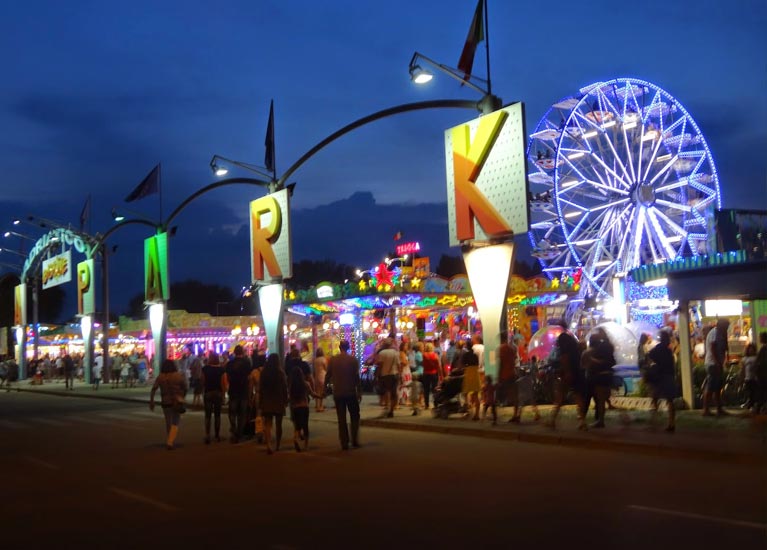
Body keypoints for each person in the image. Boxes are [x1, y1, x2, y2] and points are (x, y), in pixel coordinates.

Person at [326, 340, 362, 450]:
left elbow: (328, 375)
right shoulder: (353, 360)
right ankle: (354, 439)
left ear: (339, 347)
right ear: (348, 347)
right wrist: (359, 391)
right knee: (354, 416)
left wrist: (324, 388)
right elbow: (357, 378)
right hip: (351, 392)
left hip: (338, 393)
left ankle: (344, 442)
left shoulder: (333, 360)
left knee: (341, 418)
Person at [548, 331, 586, 430]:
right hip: (577, 373)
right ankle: (582, 421)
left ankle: (552, 420)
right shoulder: (575, 350)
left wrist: (566, 372)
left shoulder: (565, 351)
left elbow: (564, 360)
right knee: (578, 397)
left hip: (568, 374)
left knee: (560, 397)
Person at [149, 359, 188, 450]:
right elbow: (185, 387)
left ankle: (169, 440)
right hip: (177, 400)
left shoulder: (160, 377)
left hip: (165, 401)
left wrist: (152, 401)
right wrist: (182, 396)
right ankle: (170, 441)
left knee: (168, 422)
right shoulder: (178, 376)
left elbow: (153, 389)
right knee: (175, 422)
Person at [582, 329, 616, 428]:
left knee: (599, 399)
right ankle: (599, 419)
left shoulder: (603, 347)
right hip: (605, 375)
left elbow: (604, 361)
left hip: (600, 375)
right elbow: (611, 361)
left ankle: (600, 421)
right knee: (601, 399)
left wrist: (593, 360)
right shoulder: (607, 346)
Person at [648, 330, 677, 432]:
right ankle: (671, 423)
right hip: (668, 375)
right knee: (670, 400)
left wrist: (654, 365)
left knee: (655, 398)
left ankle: (654, 421)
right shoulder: (668, 350)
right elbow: (672, 363)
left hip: (659, 376)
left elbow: (650, 356)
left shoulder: (658, 348)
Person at [259, 354, 288, 454]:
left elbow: (261, 388)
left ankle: (268, 444)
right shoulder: (280, 373)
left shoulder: (264, 373)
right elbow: (284, 387)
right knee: (278, 424)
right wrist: (285, 399)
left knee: (268, 423)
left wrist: (261, 401)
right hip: (278, 399)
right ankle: (278, 445)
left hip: (267, 399)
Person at [225, 345, 252, 443]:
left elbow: (227, 378)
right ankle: (239, 433)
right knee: (242, 413)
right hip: (243, 391)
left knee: (232, 412)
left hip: (233, 390)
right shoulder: (247, 363)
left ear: (235, 353)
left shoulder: (229, 364)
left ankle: (233, 428)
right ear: (242, 352)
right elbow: (249, 378)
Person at [702, 318, 729, 417]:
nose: (726, 328)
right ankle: (706, 410)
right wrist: (718, 362)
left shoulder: (720, 333)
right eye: (726, 326)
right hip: (713, 364)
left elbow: (723, 349)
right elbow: (713, 348)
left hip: (716, 363)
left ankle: (718, 408)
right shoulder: (715, 333)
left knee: (717, 387)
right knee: (711, 387)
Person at [288, 364, 317, 452]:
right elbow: (312, 394)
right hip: (304, 407)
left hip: (295, 407)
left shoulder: (291, 386)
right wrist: (320, 396)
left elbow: (289, 398)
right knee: (305, 426)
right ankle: (306, 446)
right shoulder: (306, 384)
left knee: (297, 426)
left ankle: (295, 439)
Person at [201, 352, 225, 444]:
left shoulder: (205, 369)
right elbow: (223, 383)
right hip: (218, 392)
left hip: (208, 392)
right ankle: (217, 435)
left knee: (208, 415)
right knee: (217, 415)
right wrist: (223, 395)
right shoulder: (221, 370)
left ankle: (207, 435)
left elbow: (202, 380)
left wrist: (203, 389)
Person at [376, 338, 400, 418]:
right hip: (394, 374)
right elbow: (398, 365)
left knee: (386, 391)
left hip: (384, 375)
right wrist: (400, 374)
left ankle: (387, 406)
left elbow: (380, 365)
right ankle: (391, 410)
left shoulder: (382, 353)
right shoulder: (395, 353)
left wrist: (377, 374)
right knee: (394, 393)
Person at [461, 344, 481, 421]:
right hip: (475, 374)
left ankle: (468, 410)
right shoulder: (475, 355)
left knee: (465, 393)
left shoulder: (466, 355)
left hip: (469, 373)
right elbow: (478, 364)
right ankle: (477, 414)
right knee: (476, 394)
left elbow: (462, 365)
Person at [421, 342, 441, 411]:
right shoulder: (435, 355)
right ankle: (435, 404)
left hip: (426, 373)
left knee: (426, 389)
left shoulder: (423, 355)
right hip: (434, 373)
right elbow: (438, 365)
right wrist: (441, 375)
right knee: (434, 389)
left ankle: (427, 405)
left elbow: (422, 364)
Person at [741, 343, 758, 413]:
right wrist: (742, 377)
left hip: (755, 378)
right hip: (748, 378)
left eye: (752, 350)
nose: (751, 351)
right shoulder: (745, 359)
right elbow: (743, 369)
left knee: (754, 392)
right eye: (749, 349)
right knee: (749, 391)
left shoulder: (756, 358)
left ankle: (752, 405)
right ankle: (750, 404)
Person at [398, 341, 412, 408]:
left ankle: (403, 399)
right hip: (404, 371)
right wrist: (408, 362)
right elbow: (403, 362)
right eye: (405, 346)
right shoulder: (401, 353)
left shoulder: (404, 353)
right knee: (405, 385)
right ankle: (405, 400)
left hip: (406, 370)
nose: (406, 347)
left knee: (406, 385)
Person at [313, 348, 327, 412]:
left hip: (316, 376)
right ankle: (320, 406)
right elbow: (325, 368)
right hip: (322, 376)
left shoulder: (315, 360)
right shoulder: (323, 359)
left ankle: (317, 405)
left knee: (317, 391)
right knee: (321, 392)